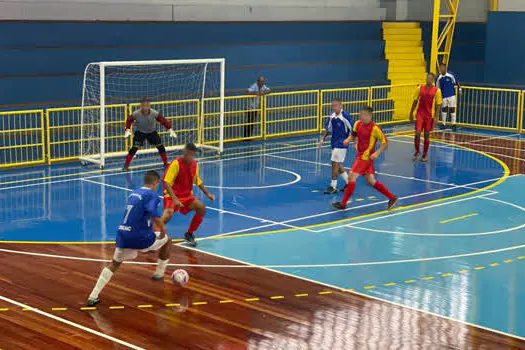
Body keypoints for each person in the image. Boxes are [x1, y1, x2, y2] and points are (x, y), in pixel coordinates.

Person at [87, 170, 171, 306]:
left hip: (123, 234)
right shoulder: (152, 195)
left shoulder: (134, 193)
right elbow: (152, 213)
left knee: (114, 264)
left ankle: (93, 295)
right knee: (168, 240)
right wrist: (162, 227)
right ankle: (159, 273)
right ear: (155, 183)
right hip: (140, 237)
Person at [332, 106, 398, 210]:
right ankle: (392, 197)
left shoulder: (375, 128)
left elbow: (385, 142)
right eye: (360, 114)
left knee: (351, 177)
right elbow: (353, 135)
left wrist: (377, 153)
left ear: (369, 115)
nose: (361, 116)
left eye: (363, 115)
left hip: (366, 157)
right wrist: (348, 140)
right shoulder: (358, 124)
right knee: (370, 181)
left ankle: (343, 203)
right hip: (360, 155)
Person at [162, 143, 215, 247]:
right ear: (185, 153)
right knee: (168, 214)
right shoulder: (176, 163)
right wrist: (175, 199)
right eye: (191, 154)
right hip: (171, 195)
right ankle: (151, 233)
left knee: (201, 208)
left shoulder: (194, 164)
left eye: (194, 155)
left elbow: (197, 180)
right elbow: (166, 182)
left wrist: (207, 193)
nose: (192, 157)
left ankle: (189, 234)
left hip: (186, 195)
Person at [122, 97, 178, 171]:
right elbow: (129, 120)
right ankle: (126, 166)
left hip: (152, 132)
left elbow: (163, 120)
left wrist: (170, 129)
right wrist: (127, 129)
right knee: (134, 149)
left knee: (160, 147)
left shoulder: (154, 113)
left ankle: (165, 163)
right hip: (140, 133)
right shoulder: (136, 114)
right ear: (141, 106)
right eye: (143, 106)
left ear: (149, 106)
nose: (145, 108)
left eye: (147, 106)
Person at [318, 97, 354, 194]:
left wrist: (350, 139)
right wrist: (322, 138)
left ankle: (333, 186)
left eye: (336, 105)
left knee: (335, 163)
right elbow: (328, 129)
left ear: (341, 105)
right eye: (333, 106)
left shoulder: (345, 116)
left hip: (342, 143)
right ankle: (349, 183)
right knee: (337, 164)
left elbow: (353, 130)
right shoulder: (332, 116)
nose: (334, 107)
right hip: (334, 142)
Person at [410, 73, 443, 162]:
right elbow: (415, 101)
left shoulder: (437, 91)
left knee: (426, 135)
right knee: (417, 133)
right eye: (427, 78)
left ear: (433, 80)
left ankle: (425, 154)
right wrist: (411, 113)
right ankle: (417, 151)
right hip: (420, 114)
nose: (428, 79)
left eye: (430, 78)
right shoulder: (419, 88)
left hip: (429, 115)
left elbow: (438, 105)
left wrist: (436, 117)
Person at [436, 63, 462, 131]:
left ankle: (453, 124)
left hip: (452, 95)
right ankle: (443, 124)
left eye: (442, 67)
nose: (441, 69)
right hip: (444, 96)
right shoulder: (439, 77)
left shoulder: (451, 74)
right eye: (440, 68)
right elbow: (437, 87)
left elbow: (457, 82)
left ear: (445, 68)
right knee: (444, 109)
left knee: (452, 109)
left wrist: (460, 89)